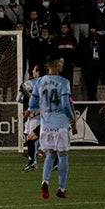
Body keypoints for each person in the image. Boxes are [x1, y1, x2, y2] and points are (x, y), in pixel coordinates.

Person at [29, 56, 76, 198]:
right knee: (63, 156)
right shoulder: (64, 82)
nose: (62, 66)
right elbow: (65, 103)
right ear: (54, 66)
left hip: (45, 125)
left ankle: (45, 181)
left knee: (49, 155)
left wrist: (42, 107)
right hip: (60, 123)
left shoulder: (39, 82)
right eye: (60, 64)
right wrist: (71, 118)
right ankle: (61, 188)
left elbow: (32, 103)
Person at [18, 64, 42, 172]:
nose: (33, 72)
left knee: (32, 138)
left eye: (33, 70)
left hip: (36, 115)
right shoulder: (46, 82)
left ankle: (33, 161)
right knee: (31, 138)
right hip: (37, 114)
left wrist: (30, 112)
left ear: (37, 72)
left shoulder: (33, 83)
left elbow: (19, 97)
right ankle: (33, 160)